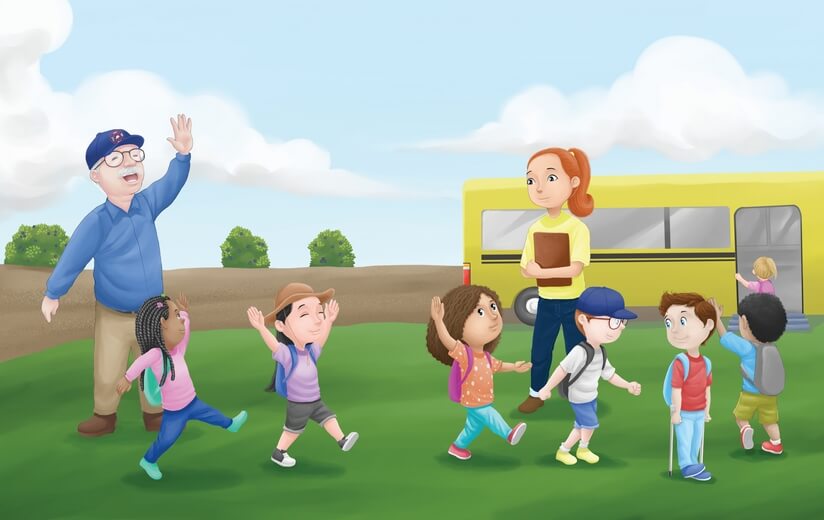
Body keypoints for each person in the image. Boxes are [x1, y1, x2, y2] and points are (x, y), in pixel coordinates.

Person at [41, 115, 194, 437]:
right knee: (108, 367)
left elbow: (171, 184)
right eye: (115, 159)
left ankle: (155, 414)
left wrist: (182, 156)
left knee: (154, 364)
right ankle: (104, 415)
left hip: (154, 312)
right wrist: (53, 292)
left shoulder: (147, 204)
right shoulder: (97, 221)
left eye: (134, 155)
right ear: (96, 175)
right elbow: (73, 257)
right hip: (113, 313)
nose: (129, 163)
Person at [117, 294, 248, 480]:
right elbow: (140, 362)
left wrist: (185, 314)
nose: (181, 322)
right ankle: (148, 460)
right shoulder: (156, 354)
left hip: (192, 402)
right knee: (166, 439)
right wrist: (127, 377)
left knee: (214, 415)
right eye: (175, 316)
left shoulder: (178, 350)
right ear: (162, 323)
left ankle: (231, 425)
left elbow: (185, 332)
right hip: (175, 412)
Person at [247, 283, 359, 468]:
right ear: (281, 325)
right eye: (304, 314)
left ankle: (342, 440)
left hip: (315, 400)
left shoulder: (311, 352)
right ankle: (279, 452)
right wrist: (261, 328)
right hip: (298, 404)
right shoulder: (288, 355)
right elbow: (274, 345)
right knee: (293, 431)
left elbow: (321, 339)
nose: (317, 320)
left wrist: (329, 321)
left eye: (319, 312)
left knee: (329, 418)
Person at [518, 147, 594, 414]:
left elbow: (575, 269)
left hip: (574, 302)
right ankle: (536, 393)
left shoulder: (577, 228)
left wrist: (540, 273)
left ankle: (577, 392)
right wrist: (533, 271)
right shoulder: (535, 228)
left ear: (573, 182)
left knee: (577, 350)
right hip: (546, 302)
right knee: (540, 350)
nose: (539, 188)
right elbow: (525, 268)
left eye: (550, 178)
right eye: (531, 180)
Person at [537, 287, 641, 465]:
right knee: (589, 424)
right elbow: (562, 369)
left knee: (581, 425)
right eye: (613, 321)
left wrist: (627, 385)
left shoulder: (601, 352)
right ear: (583, 320)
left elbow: (610, 375)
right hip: (579, 397)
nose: (621, 327)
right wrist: (546, 388)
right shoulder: (580, 352)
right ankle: (569, 449)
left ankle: (576, 449)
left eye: (621, 322)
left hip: (591, 395)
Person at [427, 284, 531, 460]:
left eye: (493, 306)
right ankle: (508, 433)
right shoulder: (464, 354)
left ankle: (457, 447)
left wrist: (514, 366)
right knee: (489, 414)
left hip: (483, 399)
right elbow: (448, 341)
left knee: (473, 427)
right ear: (458, 324)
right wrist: (438, 321)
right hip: (475, 401)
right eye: (480, 312)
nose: (493, 315)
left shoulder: (486, 358)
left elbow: (499, 366)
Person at [709, 294, 787, 455]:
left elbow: (725, 337)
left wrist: (717, 319)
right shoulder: (772, 347)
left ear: (744, 322)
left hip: (750, 393)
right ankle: (776, 443)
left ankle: (745, 428)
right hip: (769, 394)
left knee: (741, 417)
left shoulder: (746, 347)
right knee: (769, 421)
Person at [659, 292, 715, 481]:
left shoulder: (706, 363)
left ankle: (694, 463)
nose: (674, 330)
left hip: (699, 410)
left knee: (696, 440)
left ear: (708, 324)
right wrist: (676, 412)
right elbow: (676, 389)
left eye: (683, 321)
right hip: (684, 411)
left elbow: (707, 389)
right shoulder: (680, 362)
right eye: (669, 323)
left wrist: (707, 410)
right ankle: (687, 466)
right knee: (685, 438)